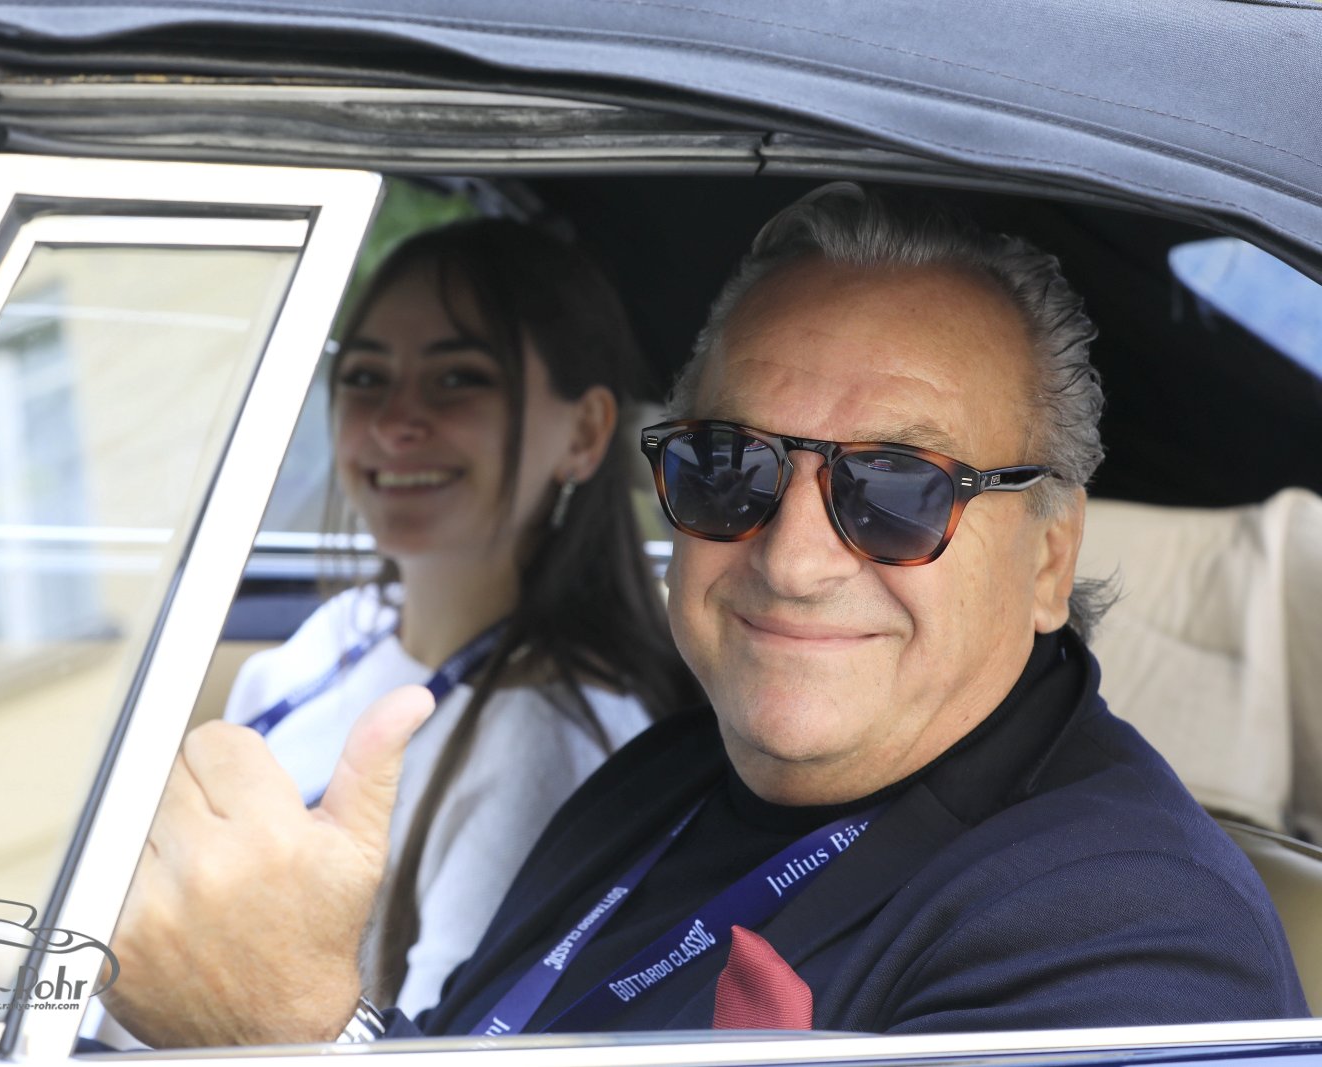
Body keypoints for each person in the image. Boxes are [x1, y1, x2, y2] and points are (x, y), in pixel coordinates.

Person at [103, 184, 1307, 1047]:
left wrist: (291, 1040)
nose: (793, 557)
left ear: (1049, 556)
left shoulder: (1129, 942)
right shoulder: (668, 772)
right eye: (730, 467)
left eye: (897, 488)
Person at [216, 218, 694, 1016]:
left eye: (458, 378)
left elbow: (447, 1044)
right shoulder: (344, 629)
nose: (394, 421)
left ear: (584, 434)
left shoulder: (545, 741)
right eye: (366, 377)